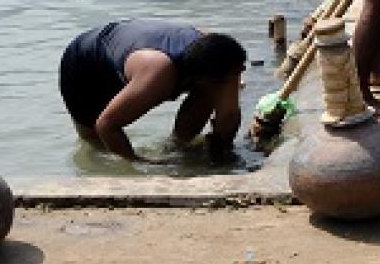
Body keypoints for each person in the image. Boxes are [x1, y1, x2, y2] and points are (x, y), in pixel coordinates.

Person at [58, 19, 246, 163]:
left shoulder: (223, 55)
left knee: (208, 94)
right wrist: (137, 164)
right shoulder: (158, 74)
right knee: (97, 146)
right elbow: (106, 126)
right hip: (85, 63)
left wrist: (222, 149)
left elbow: (228, 115)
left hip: (134, 48)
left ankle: (178, 146)